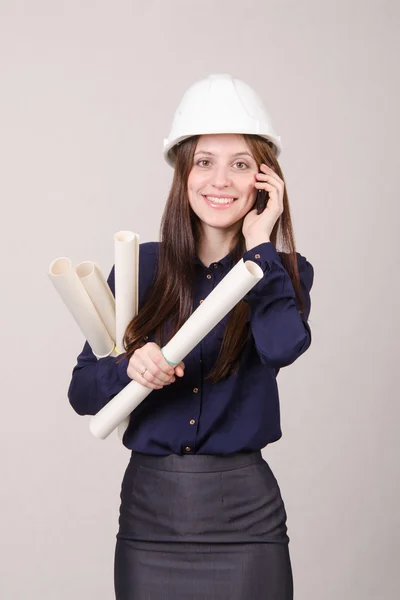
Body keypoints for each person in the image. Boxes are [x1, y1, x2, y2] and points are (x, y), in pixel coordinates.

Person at [67, 73, 314, 600]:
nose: (219, 180)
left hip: (245, 519)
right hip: (150, 516)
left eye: (240, 164)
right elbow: (82, 393)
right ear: (183, 175)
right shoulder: (139, 267)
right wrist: (128, 368)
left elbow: (282, 346)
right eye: (204, 162)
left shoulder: (281, 270)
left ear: (264, 181)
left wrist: (258, 247)